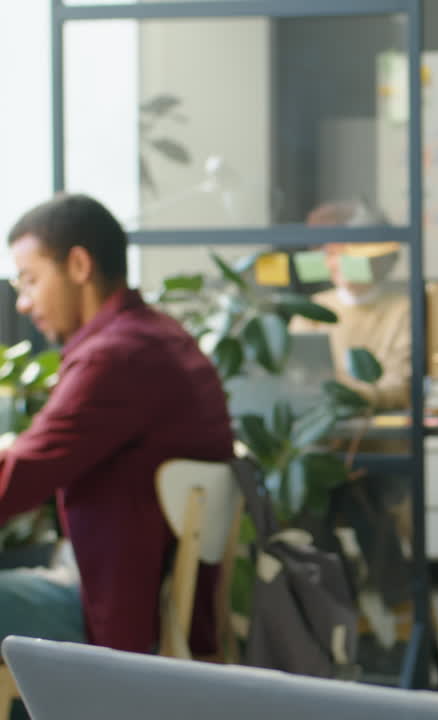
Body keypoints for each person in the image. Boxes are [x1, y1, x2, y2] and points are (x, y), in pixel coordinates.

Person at [0, 194, 234, 654]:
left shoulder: (116, 356)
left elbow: (21, 475)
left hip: (112, 609)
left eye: (30, 281)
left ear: (79, 265)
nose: (24, 304)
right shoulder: (160, 336)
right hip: (140, 595)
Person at [291, 201, 411, 411]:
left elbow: (400, 386)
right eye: (332, 254)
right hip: (323, 433)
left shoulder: (402, 310)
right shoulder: (314, 309)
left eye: (348, 253)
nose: (338, 262)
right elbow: (293, 377)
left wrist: (350, 396)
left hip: (383, 434)